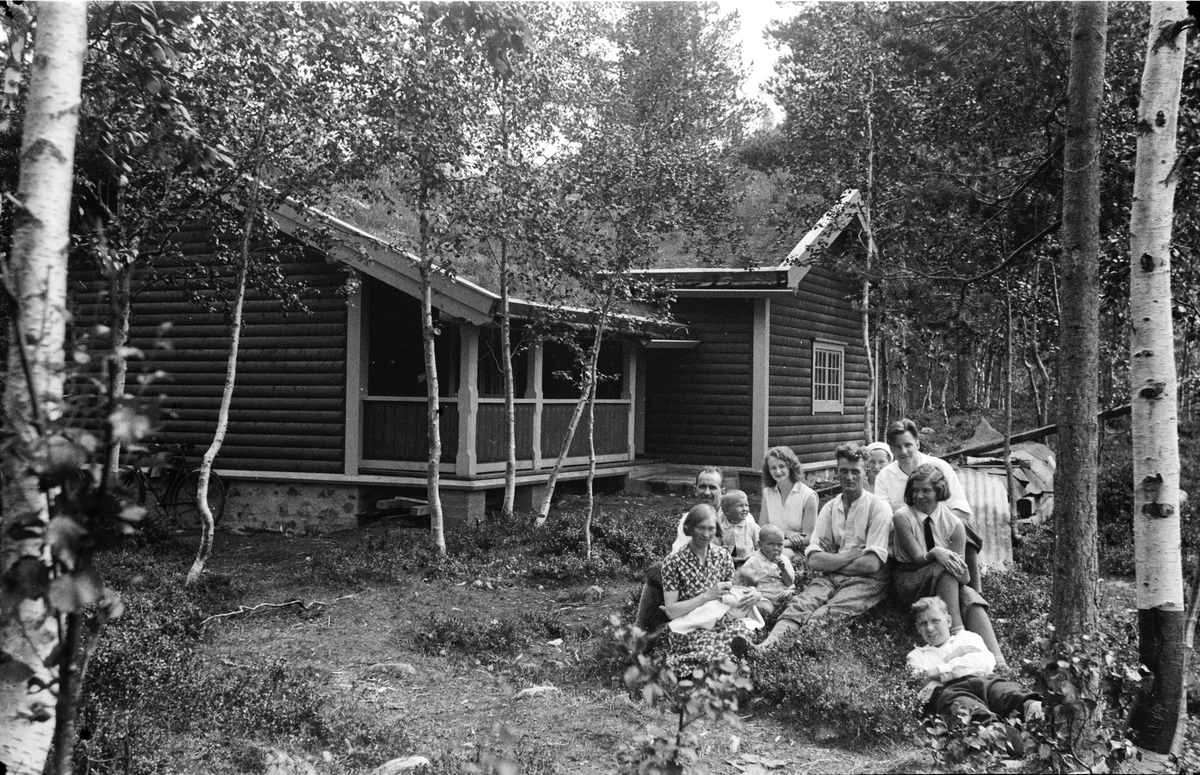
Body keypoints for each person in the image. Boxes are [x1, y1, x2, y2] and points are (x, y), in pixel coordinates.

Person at [737, 444, 893, 653]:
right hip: (829, 576)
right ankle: (764, 648)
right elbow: (814, 560)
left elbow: (871, 564)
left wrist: (833, 559)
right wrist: (852, 554)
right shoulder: (830, 508)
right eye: (843, 471)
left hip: (867, 580)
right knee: (801, 604)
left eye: (855, 471)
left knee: (828, 613)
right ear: (837, 471)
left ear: (866, 473)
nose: (849, 477)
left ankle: (792, 653)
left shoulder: (878, 508)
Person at [892, 464, 1007, 668]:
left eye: (926, 490)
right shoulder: (902, 517)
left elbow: (963, 575)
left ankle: (999, 662)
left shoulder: (954, 524)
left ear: (939, 491)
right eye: (915, 490)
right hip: (910, 581)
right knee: (944, 568)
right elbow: (918, 559)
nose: (919, 496)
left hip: (944, 583)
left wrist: (956, 568)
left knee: (969, 596)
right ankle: (957, 636)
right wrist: (937, 552)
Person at [874, 419, 983, 592]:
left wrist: (935, 524)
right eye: (896, 447)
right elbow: (885, 520)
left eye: (908, 445)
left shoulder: (939, 467)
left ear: (917, 443)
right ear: (891, 449)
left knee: (963, 526)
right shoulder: (885, 477)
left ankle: (974, 590)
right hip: (907, 539)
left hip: (941, 534)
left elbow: (961, 511)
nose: (903, 451)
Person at [907, 597, 1041, 729]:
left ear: (948, 621)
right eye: (923, 624)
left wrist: (936, 672)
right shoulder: (916, 656)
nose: (929, 628)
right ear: (918, 628)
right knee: (967, 710)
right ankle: (994, 734)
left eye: (935, 621)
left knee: (1005, 692)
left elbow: (984, 663)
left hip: (985, 681)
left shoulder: (967, 638)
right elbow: (921, 690)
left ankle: (1037, 715)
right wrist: (951, 658)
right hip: (950, 692)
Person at [661, 503, 756, 671]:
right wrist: (706, 596)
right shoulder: (673, 561)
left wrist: (753, 594)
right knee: (709, 648)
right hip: (690, 625)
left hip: (721, 621)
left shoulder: (722, 556)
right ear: (689, 528)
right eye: (700, 528)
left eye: (711, 529)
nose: (706, 535)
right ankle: (721, 668)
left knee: (743, 633)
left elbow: (735, 591)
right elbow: (671, 611)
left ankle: (725, 667)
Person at [635, 467, 726, 633]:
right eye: (702, 486)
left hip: (722, 582)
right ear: (695, 489)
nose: (706, 492)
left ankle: (662, 620)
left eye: (713, 487)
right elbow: (676, 557)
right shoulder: (690, 518)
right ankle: (640, 627)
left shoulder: (736, 515)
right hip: (692, 576)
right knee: (658, 569)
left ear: (722, 491)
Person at [759, 446, 819, 559]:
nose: (778, 471)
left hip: (799, 550)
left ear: (790, 467)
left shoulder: (808, 495)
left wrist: (775, 545)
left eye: (782, 466)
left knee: (776, 556)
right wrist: (785, 533)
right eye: (773, 468)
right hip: (772, 548)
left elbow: (808, 537)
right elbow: (763, 529)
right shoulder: (767, 493)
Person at [735, 524, 796, 617]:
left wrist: (783, 570)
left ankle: (785, 614)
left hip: (782, 595)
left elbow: (789, 582)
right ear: (760, 545)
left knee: (796, 601)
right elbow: (742, 581)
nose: (776, 548)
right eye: (771, 544)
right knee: (763, 608)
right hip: (764, 597)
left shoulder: (784, 560)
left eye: (780, 545)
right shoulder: (753, 561)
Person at [718, 489, 759, 563]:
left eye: (746, 505)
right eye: (740, 506)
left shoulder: (751, 526)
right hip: (728, 564)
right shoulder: (721, 529)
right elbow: (716, 548)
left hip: (749, 563)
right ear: (727, 511)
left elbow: (758, 545)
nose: (745, 509)